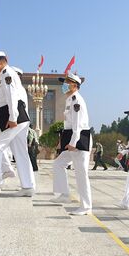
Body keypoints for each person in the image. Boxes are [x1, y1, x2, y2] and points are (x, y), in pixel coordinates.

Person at [0, 51, 35, 197]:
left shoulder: (6, 74)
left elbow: (12, 99)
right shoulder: (7, 75)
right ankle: (28, 186)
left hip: (15, 118)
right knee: (21, 153)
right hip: (19, 118)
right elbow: (5, 102)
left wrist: (13, 118)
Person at [50, 73, 92, 216]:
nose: (64, 85)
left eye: (66, 82)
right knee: (58, 164)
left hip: (79, 139)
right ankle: (64, 194)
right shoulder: (70, 100)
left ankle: (86, 206)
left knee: (81, 173)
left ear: (74, 85)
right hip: (71, 137)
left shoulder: (77, 101)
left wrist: (73, 142)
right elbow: (68, 124)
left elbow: (78, 125)